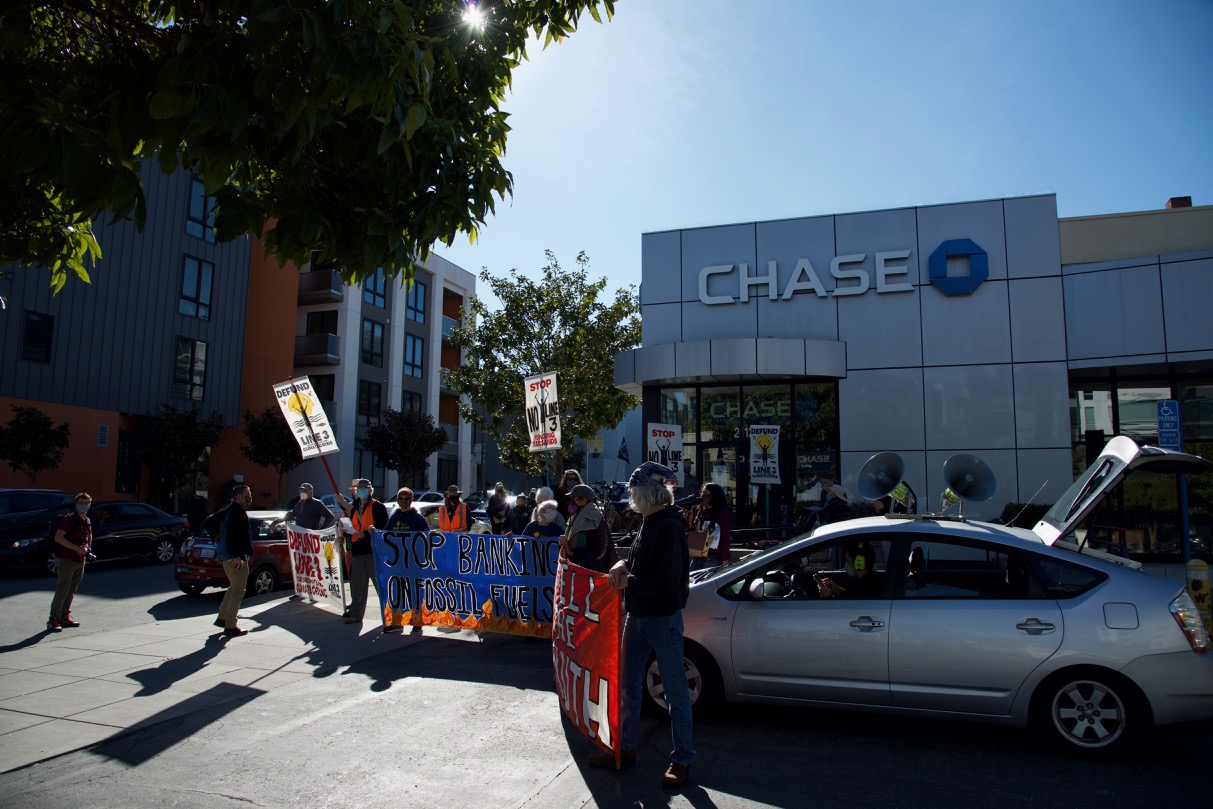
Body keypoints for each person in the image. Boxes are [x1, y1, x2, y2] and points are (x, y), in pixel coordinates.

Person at [589, 461, 693, 789]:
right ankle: (625, 747)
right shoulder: (650, 522)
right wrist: (621, 562)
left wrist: (627, 582)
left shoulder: (669, 526)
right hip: (638, 617)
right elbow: (633, 557)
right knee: (628, 686)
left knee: (676, 692)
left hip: (661, 618)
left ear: (646, 493)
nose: (630, 497)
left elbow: (665, 581)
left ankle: (682, 759)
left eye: (633, 491)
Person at [384, 487, 428, 633]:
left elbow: (425, 538)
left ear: (411, 500)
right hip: (397, 564)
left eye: (406, 499)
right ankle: (397, 621)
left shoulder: (417, 518)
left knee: (414, 592)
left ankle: (417, 621)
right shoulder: (394, 518)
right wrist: (373, 532)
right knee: (396, 593)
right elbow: (384, 535)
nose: (403, 501)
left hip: (413, 563)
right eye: (400, 498)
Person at [47, 492, 93, 632]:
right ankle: (53, 619)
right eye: (81, 503)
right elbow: (58, 538)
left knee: (72, 590)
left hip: (80, 560)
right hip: (67, 559)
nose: (83, 506)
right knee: (62, 590)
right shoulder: (68, 520)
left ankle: (64, 616)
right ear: (76, 503)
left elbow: (89, 537)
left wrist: (86, 548)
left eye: (86, 503)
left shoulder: (87, 520)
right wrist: (76, 548)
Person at [345, 478, 388, 625]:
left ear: (370, 490)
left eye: (365, 487)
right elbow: (352, 526)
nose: (362, 490)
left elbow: (383, 529)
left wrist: (367, 534)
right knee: (357, 586)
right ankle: (356, 614)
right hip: (358, 551)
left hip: (372, 551)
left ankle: (390, 615)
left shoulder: (378, 507)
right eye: (360, 487)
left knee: (380, 586)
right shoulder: (354, 507)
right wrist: (345, 531)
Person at [215, 485, 255, 637]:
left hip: (226, 556)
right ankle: (230, 626)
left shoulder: (229, 511)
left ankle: (223, 618)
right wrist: (237, 556)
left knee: (233, 588)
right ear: (238, 496)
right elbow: (235, 536)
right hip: (234, 558)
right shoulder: (237, 512)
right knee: (238, 591)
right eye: (247, 494)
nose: (249, 496)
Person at [560, 484, 613, 573]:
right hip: (576, 565)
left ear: (583, 500)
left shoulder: (594, 516)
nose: (571, 501)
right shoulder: (576, 515)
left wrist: (578, 555)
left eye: (574, 499)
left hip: (589, 570)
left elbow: (601, 547)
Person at [689, 483, 733, 570]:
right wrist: (689, 519)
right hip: (697, 555)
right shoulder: (700, 512)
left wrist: (725, 558)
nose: (703, 495)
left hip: (712, 557)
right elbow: (694, 532)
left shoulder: (722, 513)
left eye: (706, 492)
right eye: (702, 492)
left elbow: (725, 536)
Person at [816, 541, 882, 599]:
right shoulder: (874, 580)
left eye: (848, 561)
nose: (847, 565)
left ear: (859, 563)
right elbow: (850, 595)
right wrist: (837, 589)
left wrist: (827, 597)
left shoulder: (862, 588)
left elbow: (844, 609)